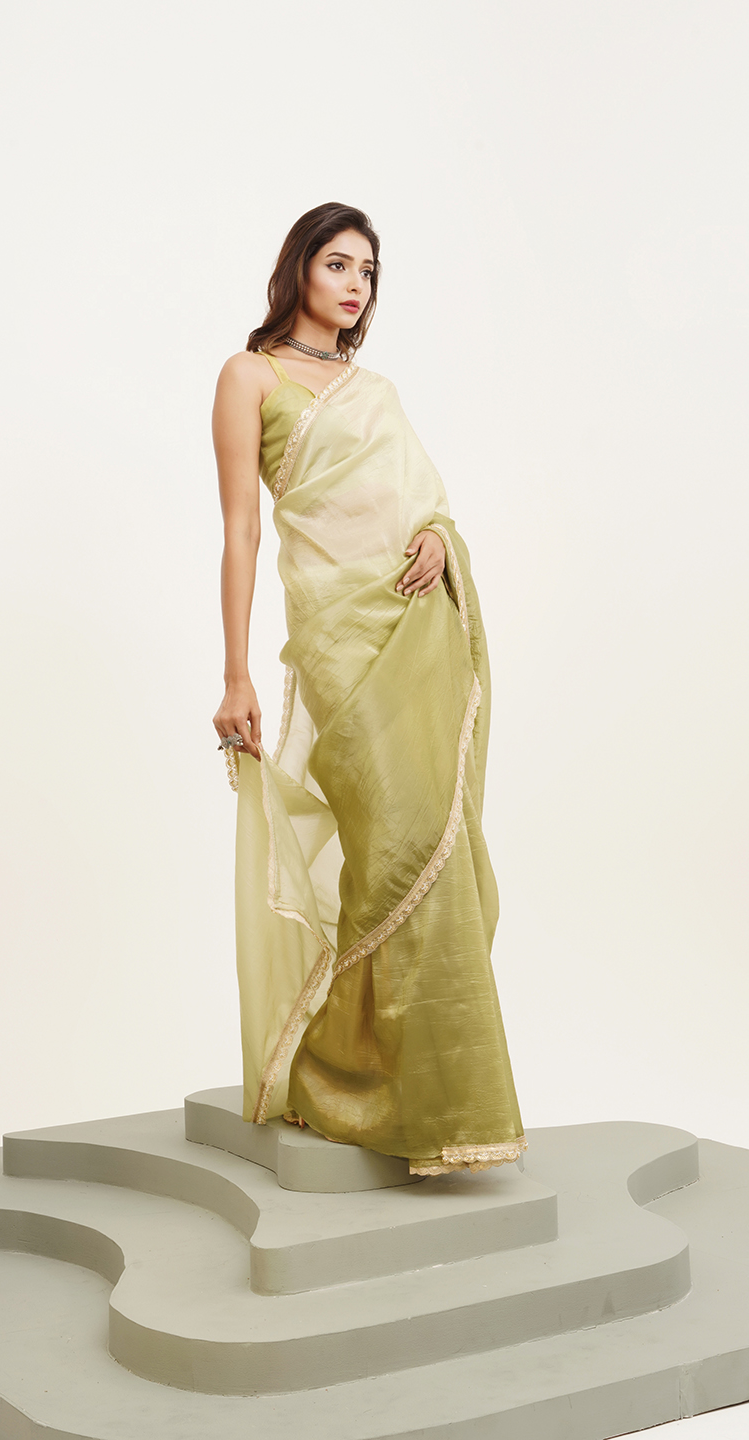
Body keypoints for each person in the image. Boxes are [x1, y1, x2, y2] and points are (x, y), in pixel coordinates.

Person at [211, 203, 524, 1176]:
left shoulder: (375, 391)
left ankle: (428, 1099)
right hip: (337, 640)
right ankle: (343, 1080)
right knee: (390, 850)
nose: (356, 285)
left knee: (432, 845)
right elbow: (241, 531)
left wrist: (438, 534)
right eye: (339, 264)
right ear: (298, 268)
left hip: (415, 624)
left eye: (369, 272)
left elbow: (421, 499)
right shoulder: (249, 377)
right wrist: (236, 671)